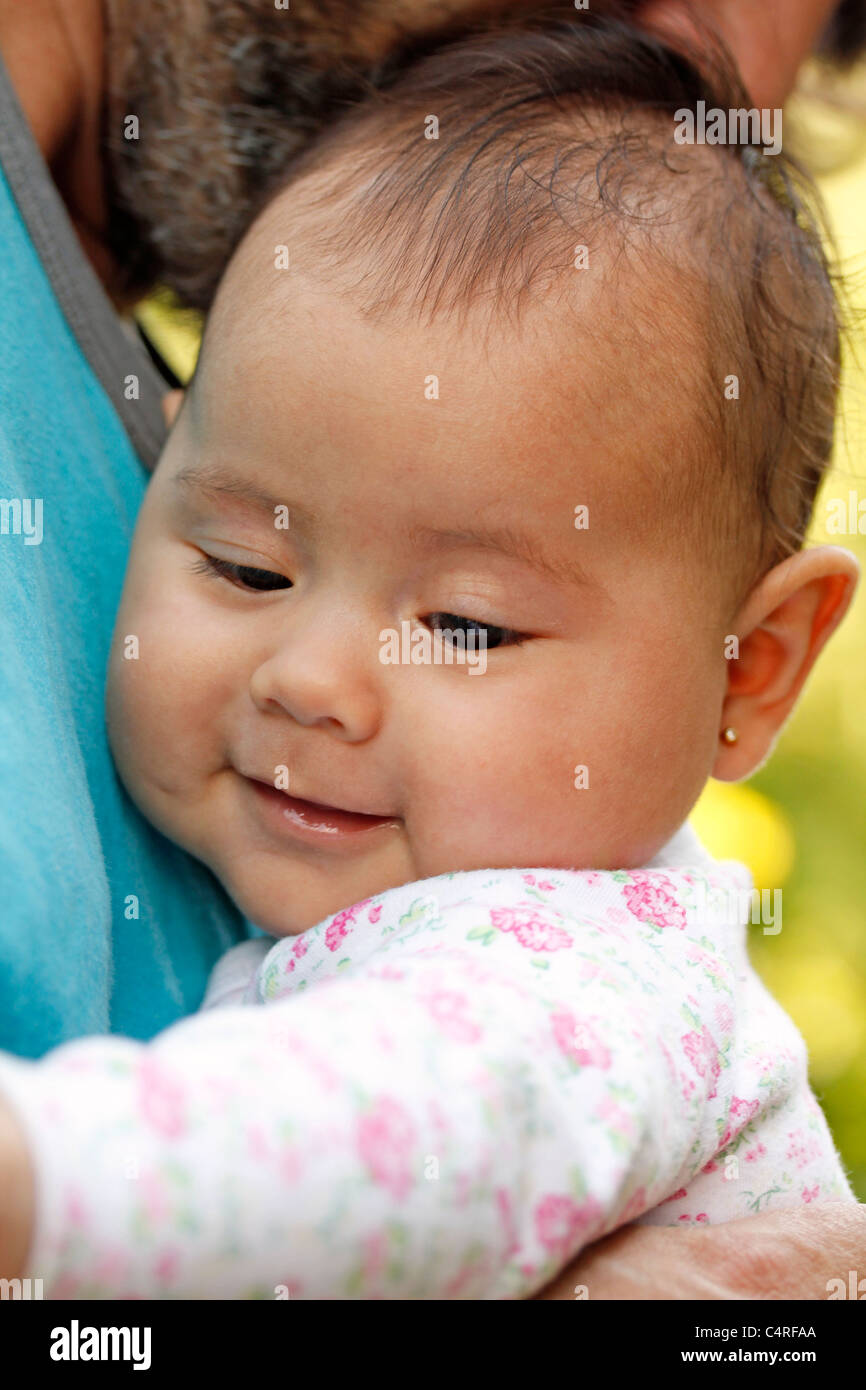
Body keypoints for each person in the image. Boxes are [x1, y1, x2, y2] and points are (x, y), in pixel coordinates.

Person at [0, 0, 862, 1298]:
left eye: (464, 625)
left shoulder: (580, 979)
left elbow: (384, 1146)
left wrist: (41, 1177)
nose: (308, 680)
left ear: (744, 672)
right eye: (245, 566)